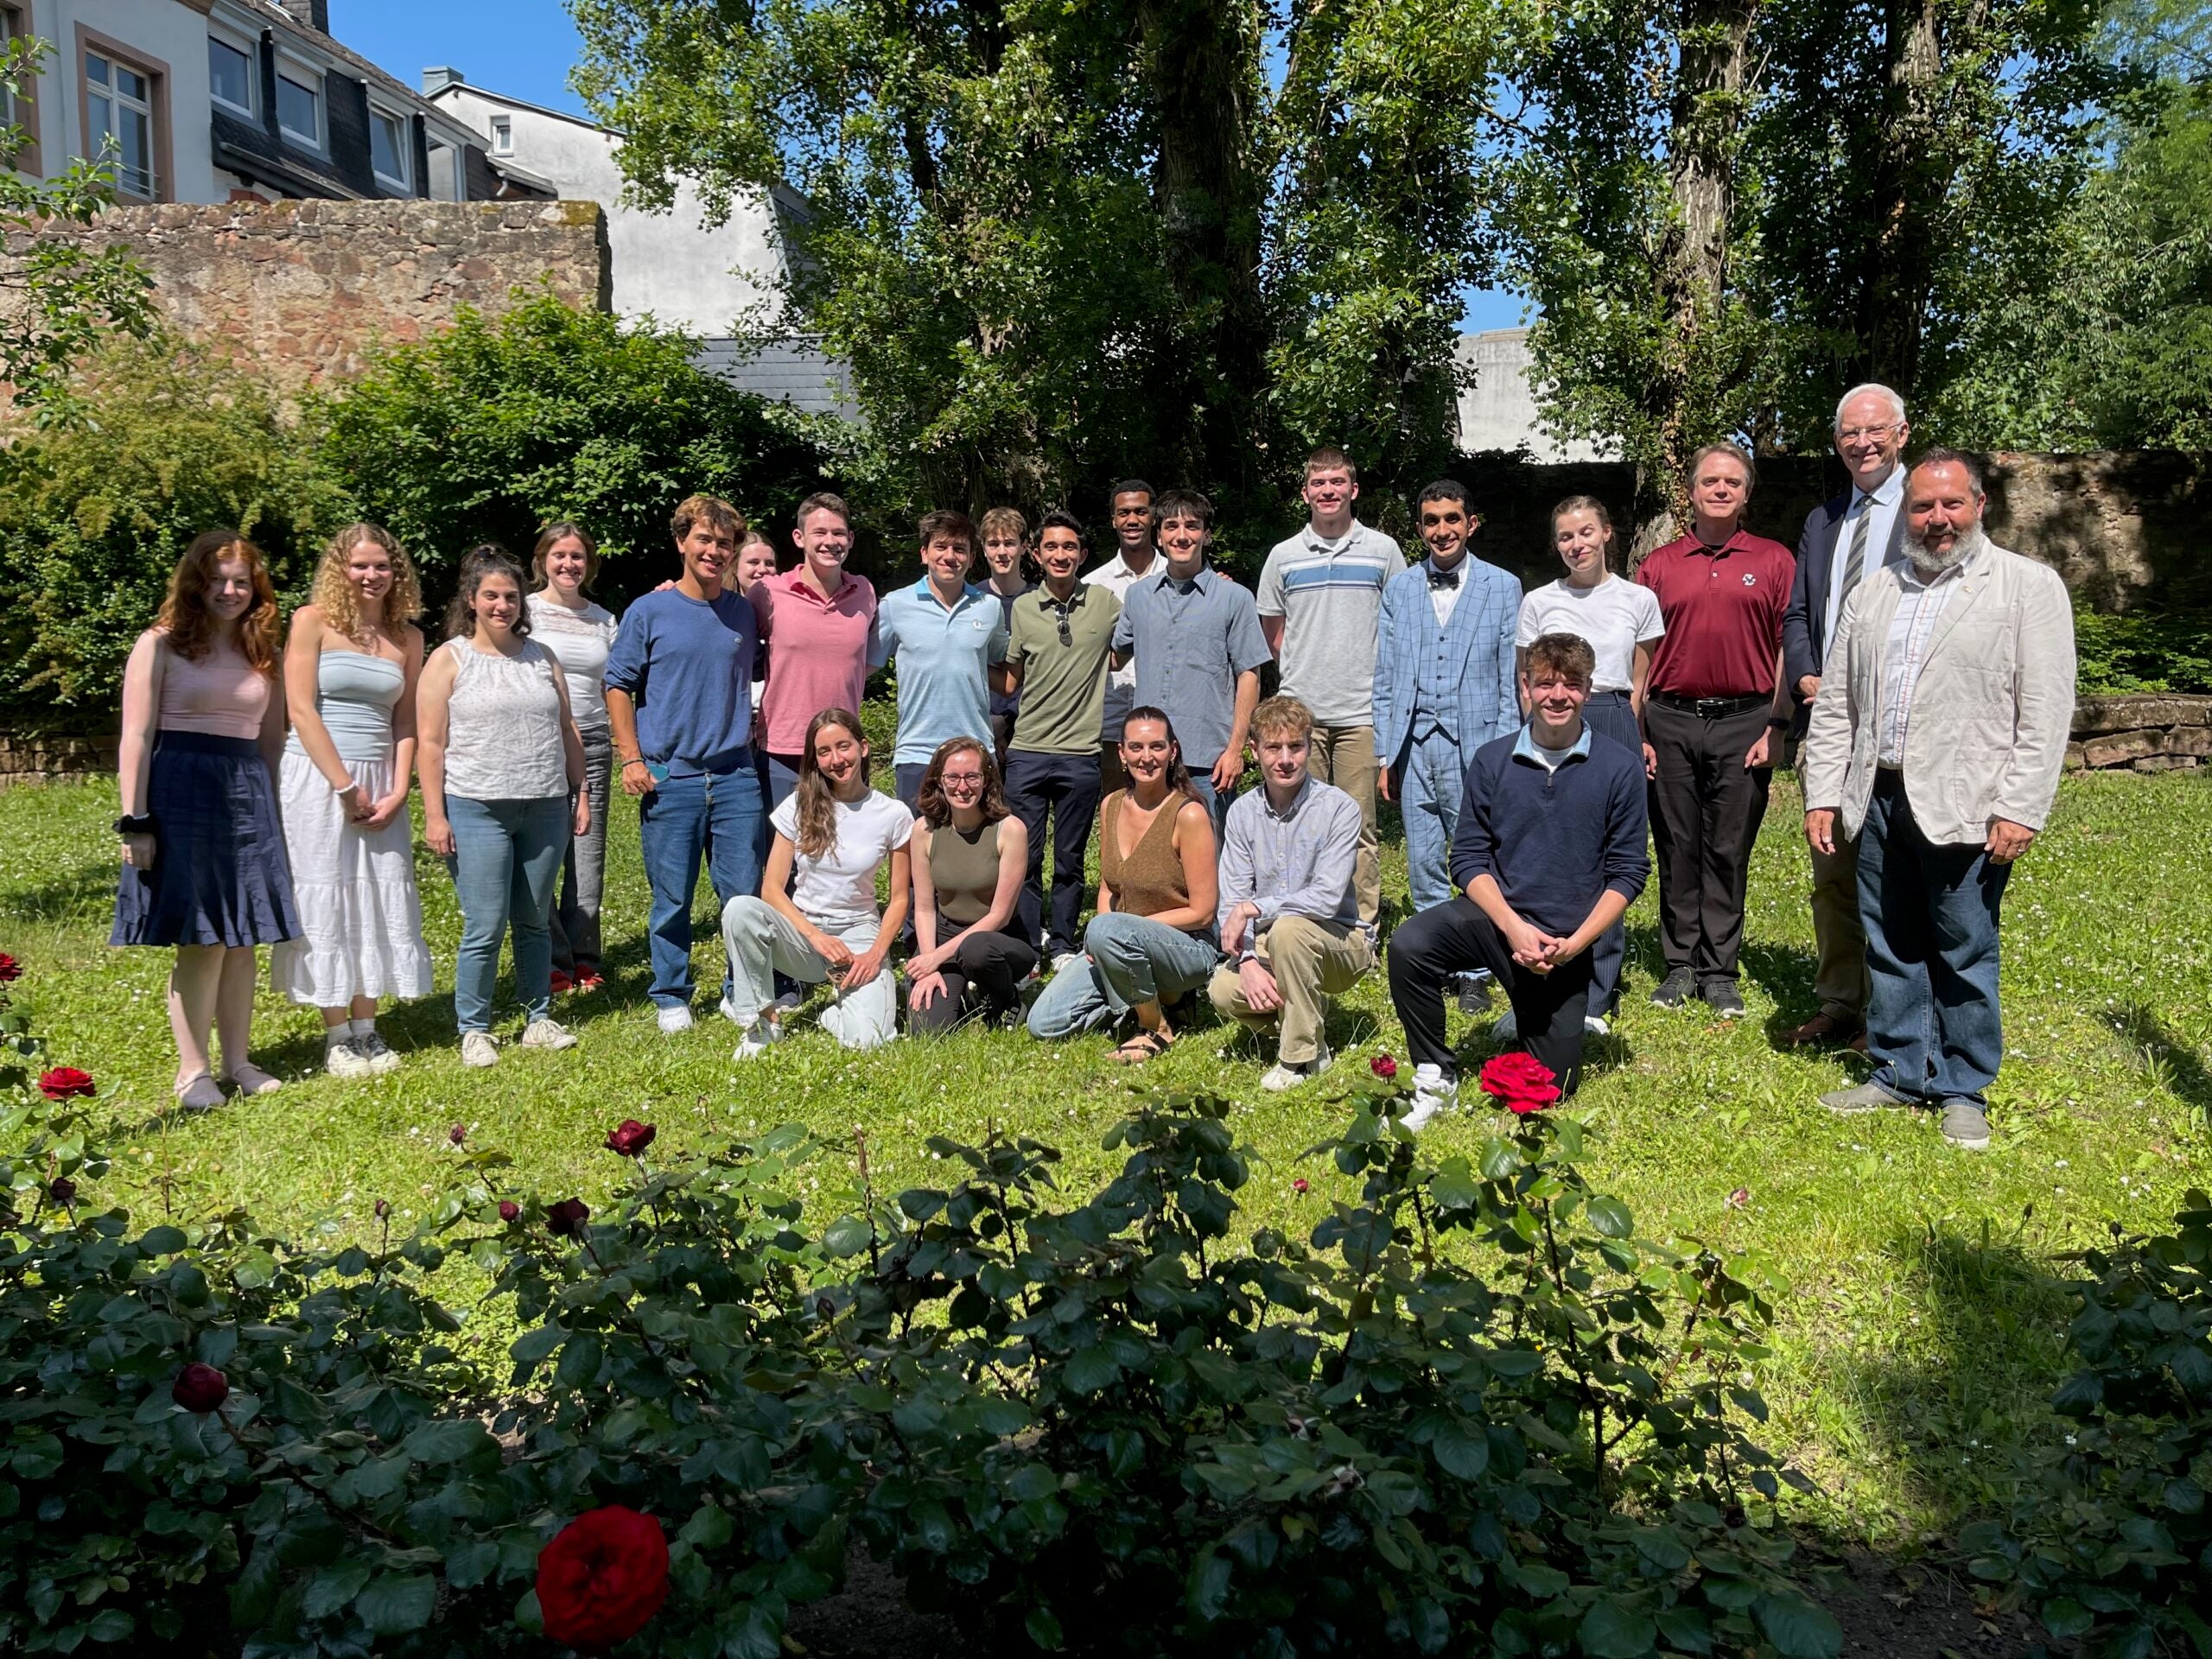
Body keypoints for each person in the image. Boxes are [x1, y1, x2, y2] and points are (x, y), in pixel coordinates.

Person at [1804, 451, 2075, 1152]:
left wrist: (2021, 806)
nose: (1937, 519)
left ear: (1979, 505)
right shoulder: (1875, 595)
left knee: (1963, 946)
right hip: (1879, 795)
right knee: (1890, 940)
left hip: (1969, 801)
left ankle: (1963, 1086)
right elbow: (1837, 704)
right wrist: (1824, 791)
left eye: (1951, 504)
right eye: (1923, 507)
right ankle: (1898, 1070)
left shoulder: (2025, 587)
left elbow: (2045, 710)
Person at [1385, 633, 1649, 1128]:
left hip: (1564, 942)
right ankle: (1435, 1076)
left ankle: (1527, 1009)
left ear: (1588, 690)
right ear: (1525, 687)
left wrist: (1574, 946)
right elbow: (1467, 860)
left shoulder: (1620, 767)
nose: (1557, 695)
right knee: (1410, 943)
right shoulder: (1492, 759)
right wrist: (1511, 927)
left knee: (1550, 1089)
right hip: (1497, 924)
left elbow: (1629, 872)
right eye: (1545, 683)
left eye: (1571, 684)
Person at [111, 531, 299, 1111]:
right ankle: (193, 1073)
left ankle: (238, 1062)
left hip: (246, 795)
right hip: (180, 792)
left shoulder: (264, 650)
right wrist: (134, 820)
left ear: (257, 588)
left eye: (241, 581)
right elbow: (136, 736)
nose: (230, 590)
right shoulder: (160, 643)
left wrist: (274, 820)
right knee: (203, 939)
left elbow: (271, 742)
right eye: (218, 579)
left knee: (243, 938)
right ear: (196, 581)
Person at [1636, 442, 1795, 1020]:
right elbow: (1640, 655)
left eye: (1732, 482)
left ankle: (1720, 970)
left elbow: (1787, 648)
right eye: (1710, 482)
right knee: (1677, 844)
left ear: (1746, 493)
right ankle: (1680, 964)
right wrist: (1640, 730)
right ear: (1692, 492)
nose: (1721, 490)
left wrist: (1777, 724)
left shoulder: (1776, 561)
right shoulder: (1659, 566)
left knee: (1728, 848)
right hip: (1671, 718)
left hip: (1745, 720)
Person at [270, 524, 433, 1077]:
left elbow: (407, 719)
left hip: (382, 780)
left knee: (375, 897)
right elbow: (300, 709)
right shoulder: (311, 621)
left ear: (397, 571)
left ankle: (368, 1028)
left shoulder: (408, 637)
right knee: (330, 895)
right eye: (360, 565)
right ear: (341, 569)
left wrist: (397, 789)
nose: (372, 575)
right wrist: (344, 786)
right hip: (319, 778)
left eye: (382, 566)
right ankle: (337, 1035)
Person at [1779, 385, 1914, 1052]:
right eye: (1849, 434)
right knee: (1832, 869)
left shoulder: (1929, 513)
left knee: (1893, 872)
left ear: (1902, 433)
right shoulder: (1824, 520)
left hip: (1901, 723)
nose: (1862, 444)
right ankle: (1841, 1004)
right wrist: (1806, 673)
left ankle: (1895, 1012)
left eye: (1874, 431)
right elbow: (1800, 613)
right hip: (1828, 722)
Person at [416, 546, 588, 1068]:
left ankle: (539, 1018)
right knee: (486, 924)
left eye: (510, 596)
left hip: (544, 807)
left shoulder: (542, 657)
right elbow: (430, 743)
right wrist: (435, 815)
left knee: (535, 918)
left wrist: (578, 795)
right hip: (476, 807)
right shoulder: (448, 658)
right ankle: (475, 1028)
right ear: (471, 600)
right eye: (490, 596)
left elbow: (567, 729)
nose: (501, 605)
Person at [604, 493, 766, 1033]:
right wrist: (631, 757)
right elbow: (619, 685)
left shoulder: (743, 611)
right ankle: (671, 994)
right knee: (672, 897)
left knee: (741, 894)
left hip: (736, 774)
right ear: (681, 542)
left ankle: (738, 989)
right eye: (704, 539)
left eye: (725, 543)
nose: (715, 551)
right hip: (671, 777)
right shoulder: (649, 610)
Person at [1512, 495, 1665, 1030]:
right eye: (1564, 537)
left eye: (1585, 533)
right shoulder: (1538, 601)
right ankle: (1540, 970)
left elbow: (1640, 681)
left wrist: (1634, 734)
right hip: (1553, 719)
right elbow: (1526, 681)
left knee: (1608, 852)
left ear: (1606, 534)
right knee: (1554, 843)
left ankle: (1599, 993)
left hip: (1612, 714)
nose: (1575, 545)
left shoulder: (1638, 599)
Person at [1258, 448, 1405, 923]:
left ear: (1353, 489)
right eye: (1319, 484)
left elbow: (1400, 622)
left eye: (1337, 482)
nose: (1329, 491)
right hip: (1301, 716)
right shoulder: (1283, 556)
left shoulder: (1382, 551)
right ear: (1305, 493)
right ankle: (1309, 921)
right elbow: (1274, 634)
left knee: (1358, 826)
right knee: (1302, 823)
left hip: (1362, 712)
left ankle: (1361, 925)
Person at [1027, 707, 1220, 1063]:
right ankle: (1144, 994)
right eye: (1136, 747)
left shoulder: (1188, 814)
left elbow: (1204, 912)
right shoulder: (1111, 805)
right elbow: (1107, 887)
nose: (1147, 758)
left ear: (1173, 751)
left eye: (1157, 747)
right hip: (1118, 941)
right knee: (1044, 1023)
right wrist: (1101, 940)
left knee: (1107, 930)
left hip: (1187, 947)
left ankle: (1156, 1027)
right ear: (1121, 753)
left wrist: (1111, 930)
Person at [720, 708, 913, 1056]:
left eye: (844, 747)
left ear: (863, 748)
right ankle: (764, 1021)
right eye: (824, 752)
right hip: (804, 936)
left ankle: (834, 1014)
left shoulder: (893, 814)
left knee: (868, 1041)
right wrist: (816, 936)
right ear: (815, 760)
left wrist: (876, 954)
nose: (836, 759)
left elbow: (899, 899)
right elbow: (771, 890)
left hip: (857, 934)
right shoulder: (800, 804)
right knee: (739, 909)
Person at [1207, 697, 1373, 1090]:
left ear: (1309, 747)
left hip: (1340, 941)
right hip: (1272, 943)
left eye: (1295, 747)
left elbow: (1328, 897)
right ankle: (1307, 1012)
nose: (1285, 759)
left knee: (1288, 929)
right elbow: (1231, 897)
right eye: (1273, 748)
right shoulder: (1243, 813)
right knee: (1223, 991)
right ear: (1255, 752)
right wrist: (1247, 959)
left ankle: (1301, 1058)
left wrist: (1253, 907)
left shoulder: (1339, 809)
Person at [1373, 480, 1522, 917]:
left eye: (1452, 519)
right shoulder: (1400, 589)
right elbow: (1386, 677)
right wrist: (1386, 754)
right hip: (1414, 746)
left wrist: (1505, 754)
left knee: (1477, 856)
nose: (1442, 530)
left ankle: (1478, 966)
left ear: (1471, 524)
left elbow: (1509, 680)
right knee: (1422, 860)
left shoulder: (1503, 586)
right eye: (1431, 521)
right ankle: (1435, 955)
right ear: (1420, 530)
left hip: (1477, 745)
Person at [998, 512, 1120, 969]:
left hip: (1081, 754)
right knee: (1024, 856)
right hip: (1028, 752)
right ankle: (1029, 946)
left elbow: (1136, 631)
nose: (1060, 555)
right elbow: (1010, 679)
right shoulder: (1023, 609)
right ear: (1037, 555)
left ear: (1083, 555)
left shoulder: (1106, 603)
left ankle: (1064, 943)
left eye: (1069, 547)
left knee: (1070, 860)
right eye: (1051, 547)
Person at [1109, 489, 1269, 830]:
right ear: (1159, 536)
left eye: (1192, 526)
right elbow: (1112, 657)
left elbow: (1249, 675)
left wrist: (1235, 750)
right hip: (1149, 759)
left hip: (1208, 760)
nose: (1182, 536)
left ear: (1206, 535)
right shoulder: (1138, 597)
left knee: (1211, 863)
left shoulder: (1235, 599)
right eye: (1171, 526)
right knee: (1150, 861)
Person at [526, 522, 621, 995]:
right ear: (543, 559)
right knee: (541, 854)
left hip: (594, 742)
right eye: (560, 555)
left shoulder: (604, 619)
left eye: (578, 556)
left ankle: (585, 959)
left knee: (586, 856)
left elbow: (616, 685)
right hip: (537, 744)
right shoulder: (524, 612)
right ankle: (549, 959)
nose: (569, 564)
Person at [871, 509, 1010, 807]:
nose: (951, 556)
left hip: (977, 751)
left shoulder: (989, 608)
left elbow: (1004, 662)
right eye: (941, 547)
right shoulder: (895, 606)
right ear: (924, 553)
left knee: (976, 850)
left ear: (972, 558)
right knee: (915, 850)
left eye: (960, 549)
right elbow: (863, 668)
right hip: (917, 753)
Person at [752, 493, 876, 805]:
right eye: (819, 532)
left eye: (838, 533)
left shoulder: (865, 592)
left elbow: (866, 659)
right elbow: (722, 619)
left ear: (850, 539)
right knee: (783, 852)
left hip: (844, 751)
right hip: (784, 748)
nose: (829, 541)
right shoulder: (768, 592)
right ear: (799, 538)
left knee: (843, 851)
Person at [906, 738, 1036, 1033]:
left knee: (975, 949)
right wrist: (929, 964)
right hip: (943, 934)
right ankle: (964, 994)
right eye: (953, 777)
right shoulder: (924, 830)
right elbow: (925, 908)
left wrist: (935, 958)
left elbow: (999, 915)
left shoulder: (1010, 829)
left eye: (972, 777)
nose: (962, 787)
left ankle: (1007, 998)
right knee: (927, 1033)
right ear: (939, 780)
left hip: (997, 940)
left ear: (986, 780)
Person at [1084, 478, 1158, 797]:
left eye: (1140, 511)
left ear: (1153, 516)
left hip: (1162, 725)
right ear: (1113, 519)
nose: (1132, 520)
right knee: (1113, 816)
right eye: (1124, 512)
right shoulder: (1091, 586)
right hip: (1108, 726)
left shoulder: (1178, 576)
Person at [979, 507, 1031, 766]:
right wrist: (990, 722)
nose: (1002, 552)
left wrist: (1007, 719)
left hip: (1030, 729)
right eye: (993, 543)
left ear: (1024, 547)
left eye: (1010, 543)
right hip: (978, 727)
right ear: (983, 548)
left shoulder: (1040, 601)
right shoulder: (969, 601)